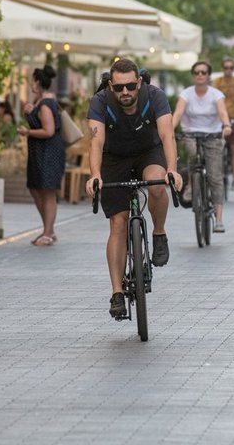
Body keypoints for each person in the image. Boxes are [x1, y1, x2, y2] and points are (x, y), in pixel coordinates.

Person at [84, 58, 182, 319]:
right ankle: (117, 293)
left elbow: (167, 135)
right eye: (118, 88)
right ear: (110, 85)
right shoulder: (100, 102)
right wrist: (95, 175)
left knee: (158, 184)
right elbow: (95, 142)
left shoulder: (155, 96)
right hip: (114, 157)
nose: (124, 92)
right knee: (118, 223)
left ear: (138, 82)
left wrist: (172, 168)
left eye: (129, 86)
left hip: (148, 152)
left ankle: (159, 233)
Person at [171, 61, 231, 231]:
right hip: (190, 134)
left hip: (212, 136)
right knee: (192, 153)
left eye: (203, 72)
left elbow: (222, 112)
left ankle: (218, 219)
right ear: (193, 75)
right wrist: (169, 130)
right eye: (197, 72)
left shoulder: (216, 94)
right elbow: (178, 113)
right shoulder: (186, 94)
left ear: (208, 75)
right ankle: (191, 185)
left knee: (214, 176)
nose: (200, 75)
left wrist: (226, 125)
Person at [18, 65, 65, 247]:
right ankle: (48, 229)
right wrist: (29, 113)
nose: (30, 83)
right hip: (39, 153)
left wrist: (27, 132)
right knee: (36, 188)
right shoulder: (39, 102)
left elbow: (49, 131)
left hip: (49, 153)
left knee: (48, 191)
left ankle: (48, 232)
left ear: (37, 82)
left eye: (32, 80)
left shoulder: (46, 104)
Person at [212, 57, 234, 192]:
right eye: (226, 68)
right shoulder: (217, 81)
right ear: (222, 69)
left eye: (231, 68)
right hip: (220, 119)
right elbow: (214, 97)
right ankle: (217, 175)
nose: (228, 70)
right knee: (217, 148)